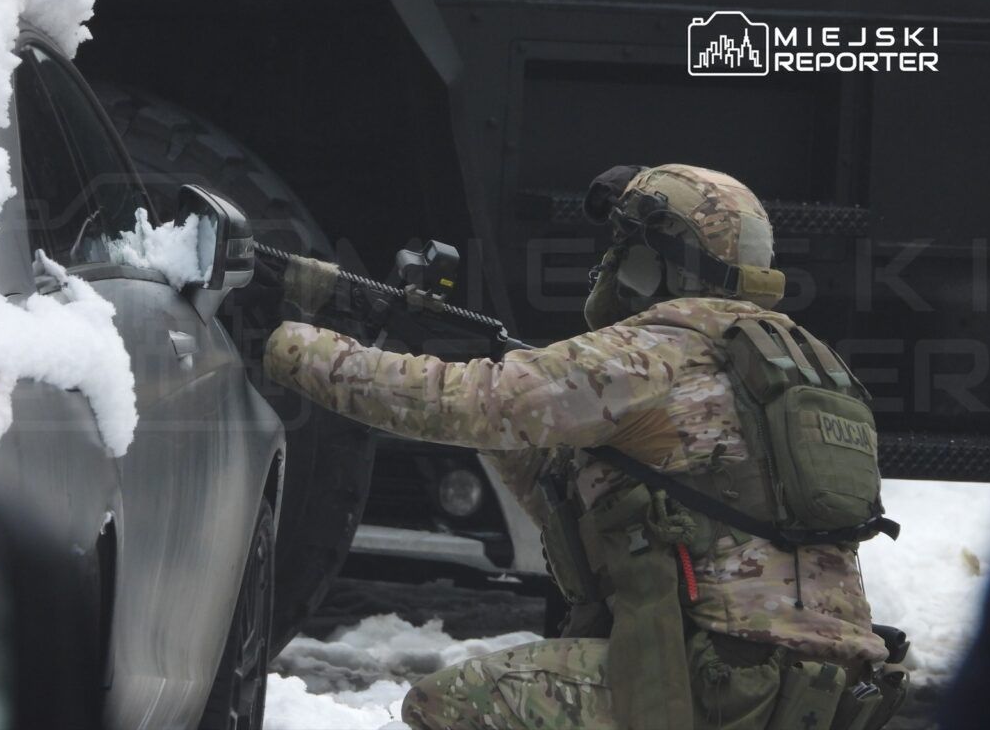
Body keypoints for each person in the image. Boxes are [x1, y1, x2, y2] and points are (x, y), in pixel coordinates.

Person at [264, 164, 905, 730]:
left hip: (717, 684)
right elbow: (592, 505)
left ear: (655, 262)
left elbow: (456, 403)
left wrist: (288, 344)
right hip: (820, 696)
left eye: (624, 250)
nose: (612, 268)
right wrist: (513, 424)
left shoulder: (656, 350)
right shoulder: (800, 368)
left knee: (451, 704)